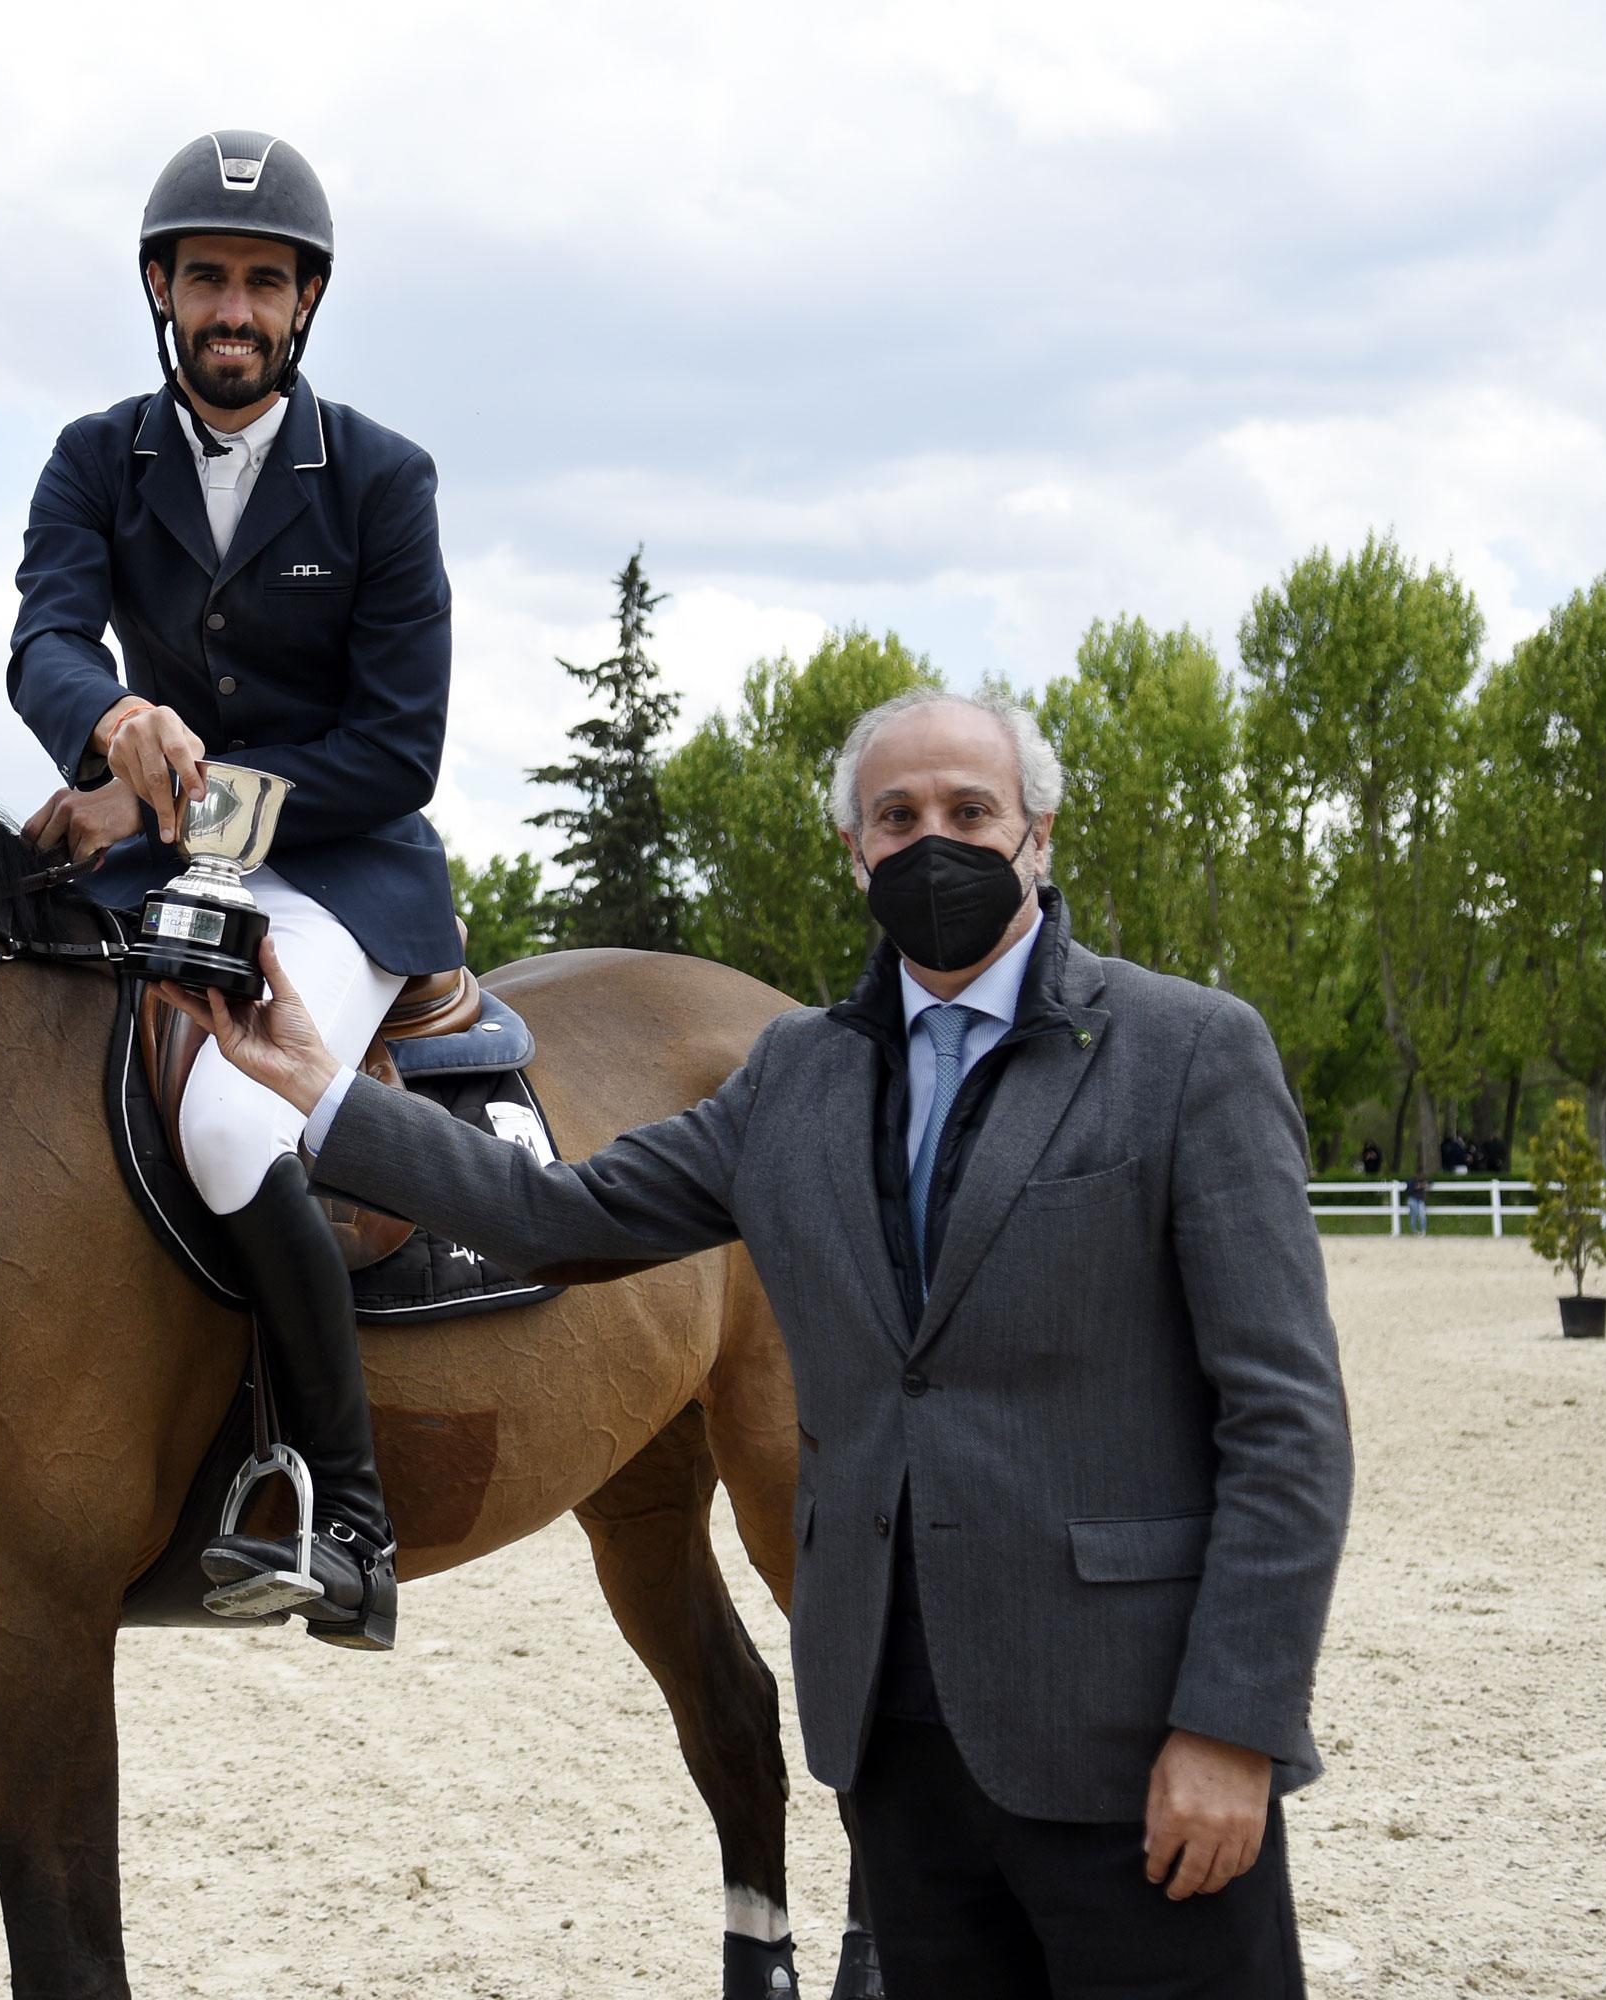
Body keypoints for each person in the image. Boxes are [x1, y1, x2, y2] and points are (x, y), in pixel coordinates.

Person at [177, 690, 1353, 1992]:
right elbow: (554, 1216)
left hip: (1132, 1749)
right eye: (896, 818)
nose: (933, 844)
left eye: (972, 812)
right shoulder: (796, 1075)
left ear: (1040, 836)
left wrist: (1233, 1728)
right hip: (896, 1751)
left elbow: (1287, 1426)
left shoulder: (1189, 1054)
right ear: (854, 849)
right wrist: (318, 1090)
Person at [7, 130, 460, 1649]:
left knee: (221, 1111)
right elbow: (45, 643)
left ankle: (352, 1518)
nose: (235, 308)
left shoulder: (385, 481)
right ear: (160, 287)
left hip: (340, 869)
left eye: (266, 282)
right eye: (208, 276)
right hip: (158, 853)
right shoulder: (95, 457)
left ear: (306, 305)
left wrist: (189, 798)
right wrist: (108, 726)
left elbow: (398, 751)